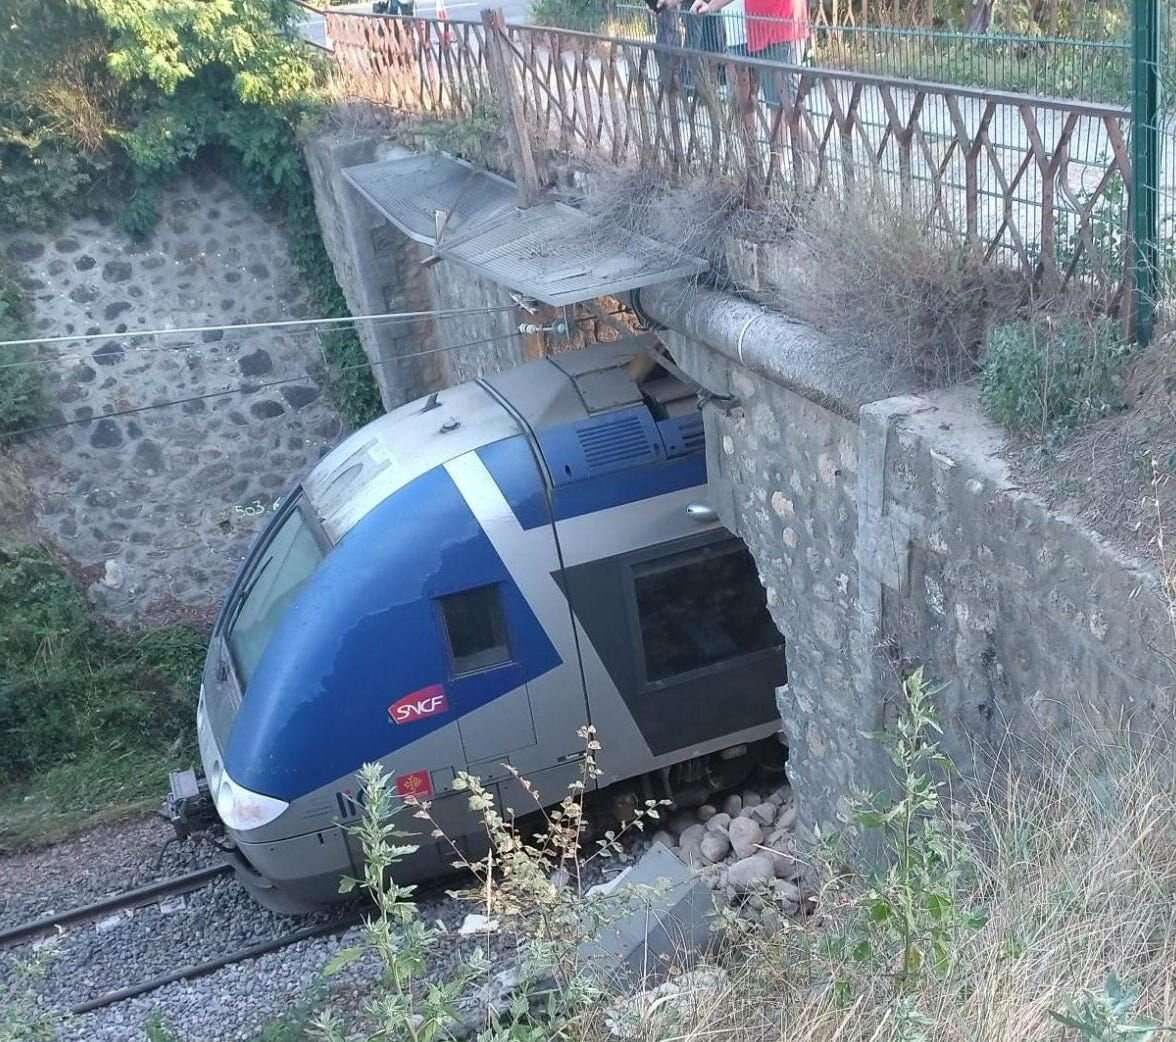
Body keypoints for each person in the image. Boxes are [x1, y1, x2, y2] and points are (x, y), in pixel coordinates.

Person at [692, 0, 808, 107]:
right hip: (769, 31)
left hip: (779, 29)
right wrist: (710, 6)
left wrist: (711, 6)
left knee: (784, 112)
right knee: (779, 110)